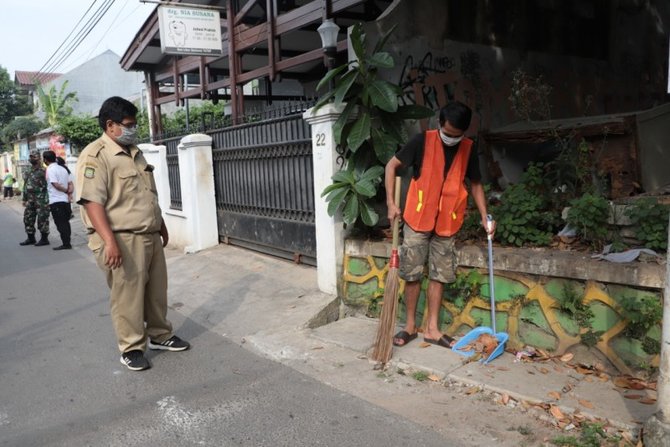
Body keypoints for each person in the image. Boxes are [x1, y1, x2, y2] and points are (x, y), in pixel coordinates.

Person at [75, 96, 189, 371]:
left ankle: (160, 335)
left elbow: (147, 193)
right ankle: (131, 347)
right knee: (128, 296)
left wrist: (160, 224)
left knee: (156, 291)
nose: (133, 129)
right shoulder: (96, 155)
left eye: (135, 124)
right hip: (120, 237)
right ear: (110, 125)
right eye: (128, 125)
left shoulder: (134, 152)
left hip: (148, 234)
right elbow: (92, 202)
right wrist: (110, 242)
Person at [384, 101, 495, 349]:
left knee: (439, 275)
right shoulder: (422, 141)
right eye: (447, 134)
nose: (451, 139)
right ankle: (410, 326)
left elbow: (475, 184)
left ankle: (432, 329)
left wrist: (484, 215)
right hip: (417, 218)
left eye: (457, 136)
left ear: (464, 132)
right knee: (412, 273)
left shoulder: (468, 148)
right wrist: (391, 204)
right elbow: (391, 166)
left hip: (448, 221)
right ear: (439, 124)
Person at [43, 151, 73, 250]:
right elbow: (70, 183)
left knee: (61, 223)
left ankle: (66, 244)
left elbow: (55, 184)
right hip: (65, 201)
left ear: (45, 160)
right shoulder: (63, 168)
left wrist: (65, 191)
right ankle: (67, 242)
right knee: (66, 222)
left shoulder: (50, 170)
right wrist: (68, 192)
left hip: (56, 200)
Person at [19, 151, 50, 247]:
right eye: (30, 157)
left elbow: (49, 185)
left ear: (39, 158)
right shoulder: (28, 170)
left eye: (34, 157)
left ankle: (44, 239)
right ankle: (31, 238)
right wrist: (24, 198)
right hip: (30, 199)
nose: (31, 158)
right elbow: (26, 185)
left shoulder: (44, 170)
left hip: (41, 199)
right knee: (28, 218)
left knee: (42, 219)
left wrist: (48, 199)